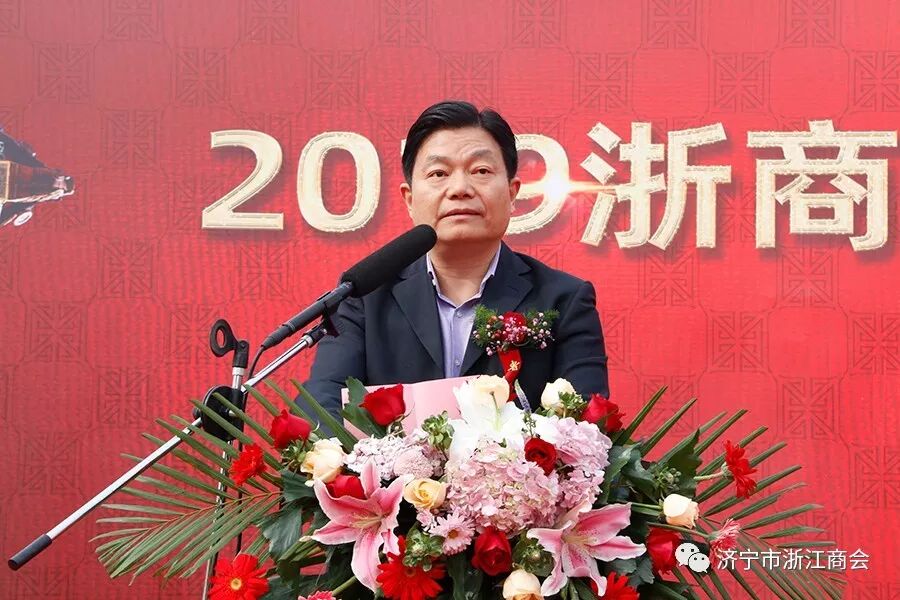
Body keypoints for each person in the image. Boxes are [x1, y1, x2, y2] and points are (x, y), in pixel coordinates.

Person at [301, 100, 608, 417]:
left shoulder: (564, 300)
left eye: (481, 171)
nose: (460, 188)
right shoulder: (364, 296)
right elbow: (322, 410)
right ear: (409, 199)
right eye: (439, 173)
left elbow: (586, 424)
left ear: (512, 193)